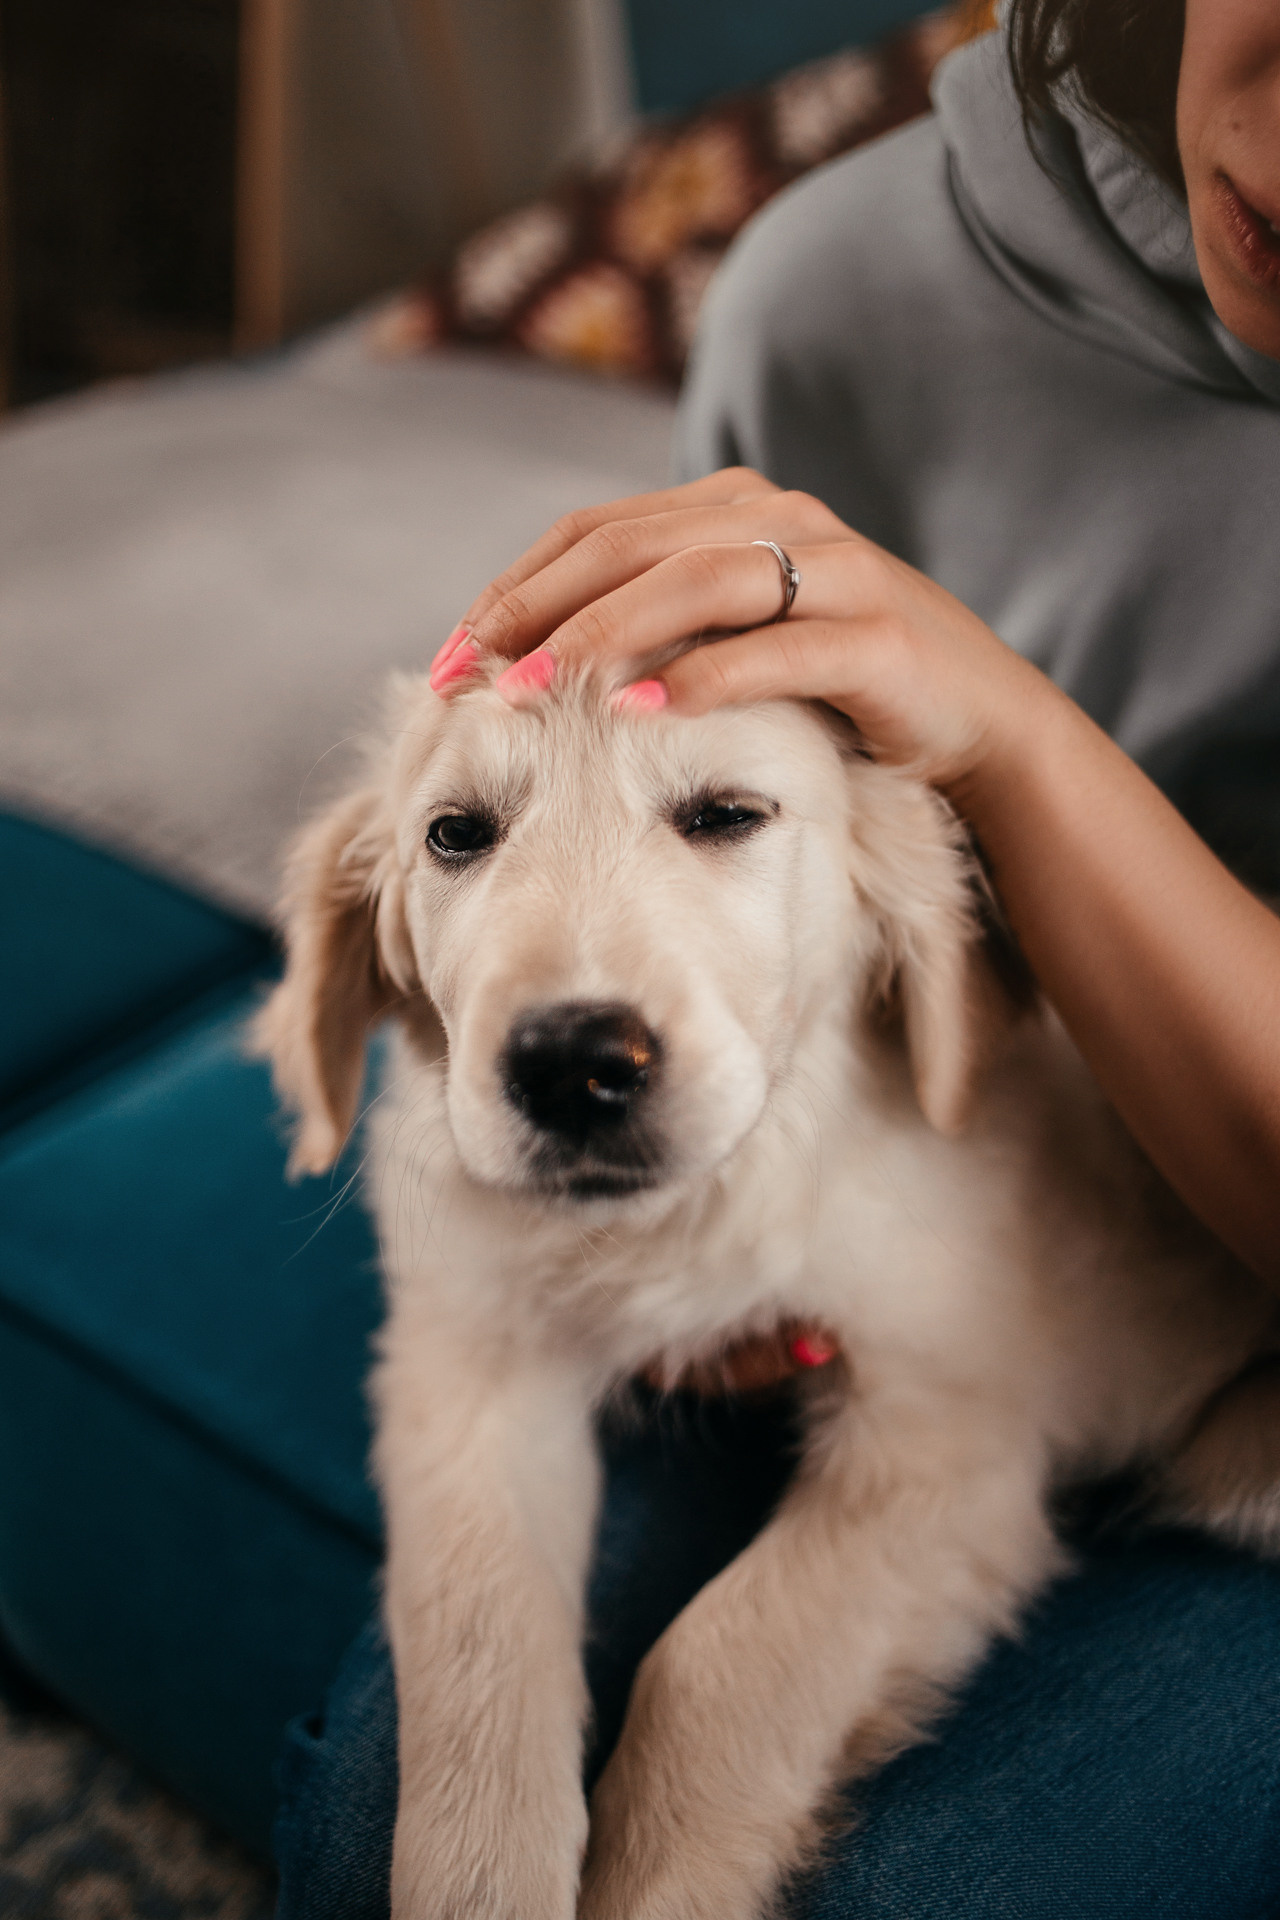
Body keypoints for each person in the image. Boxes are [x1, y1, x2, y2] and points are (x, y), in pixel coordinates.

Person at [275, 3, 1280, 1913]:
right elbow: (650, 751)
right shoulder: (829, 284)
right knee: (384, 1840)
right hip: (917, 1232)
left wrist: (1003, 723)